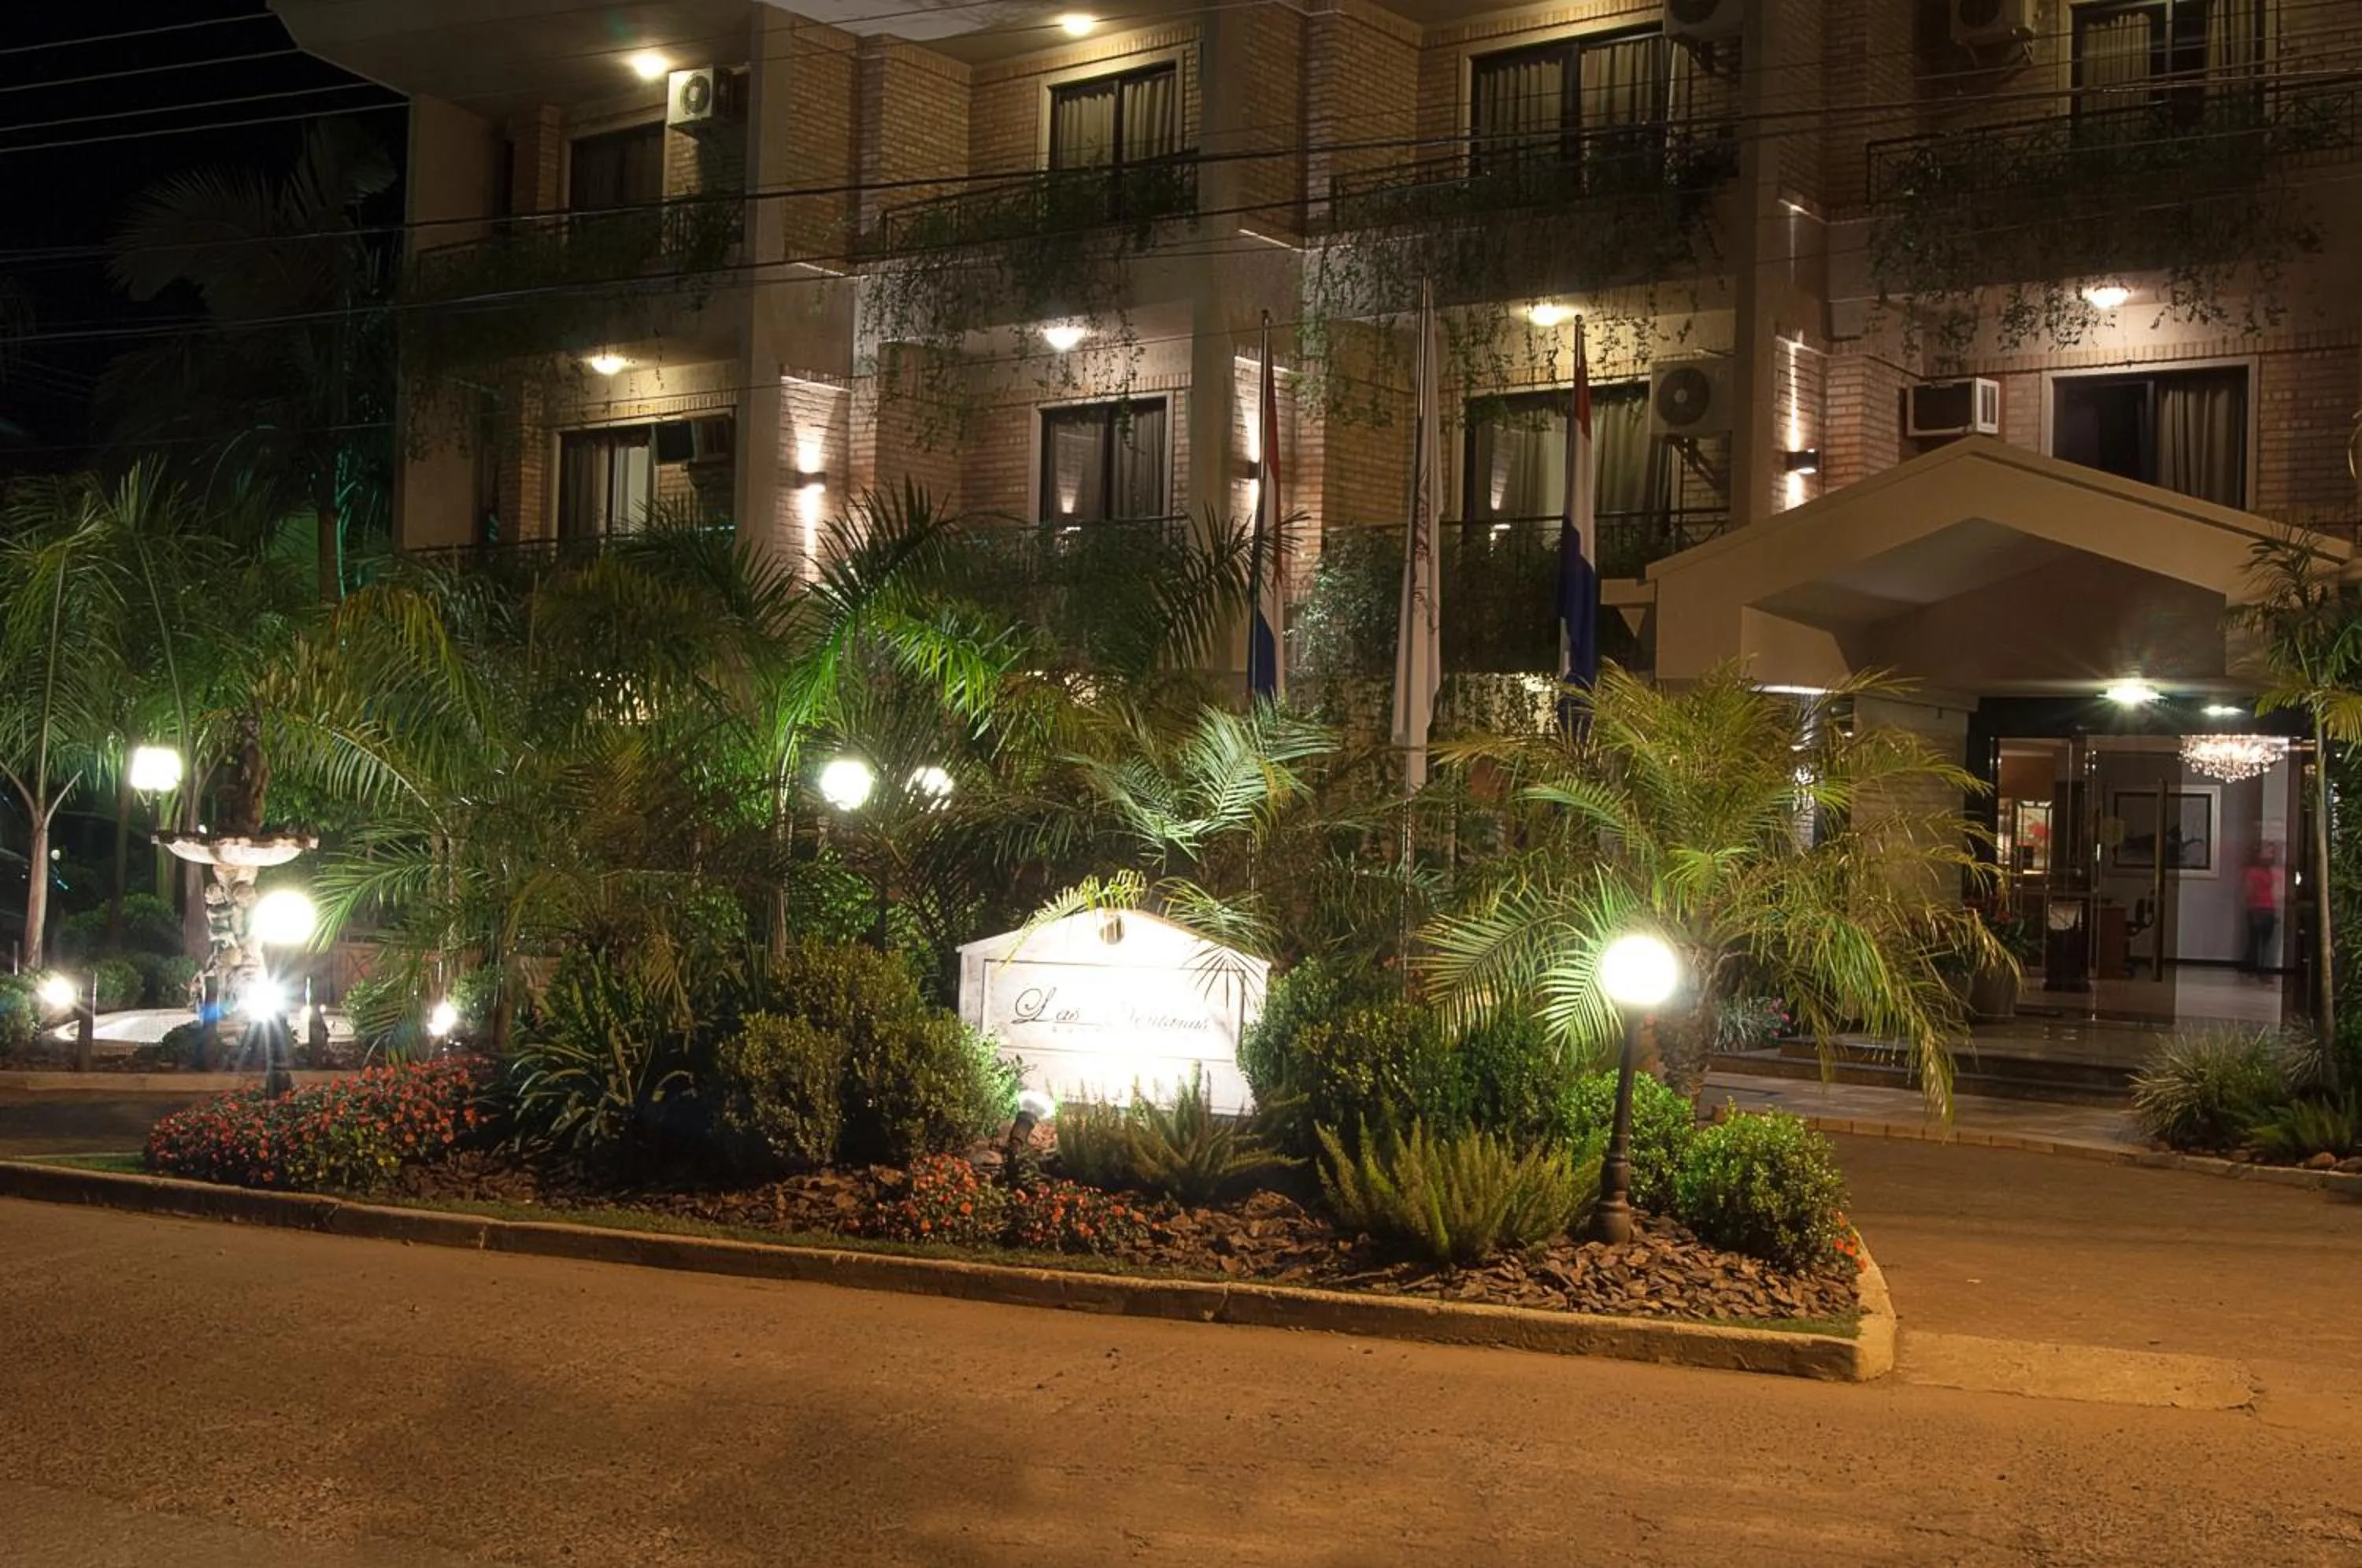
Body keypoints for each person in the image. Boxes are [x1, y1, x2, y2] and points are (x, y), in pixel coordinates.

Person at [2242, 842, 2284, 979]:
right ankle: (2260, 971)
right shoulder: (2257, 872)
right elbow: (2249, 892)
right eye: (2268, 852)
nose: (2270, 855)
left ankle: (2256, 970)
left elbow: (2248, 892)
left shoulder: (2270, 872)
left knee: (2260, 942)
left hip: (2263, 908)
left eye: (2271, 852)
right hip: (2259, 908)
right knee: (2262, 942)